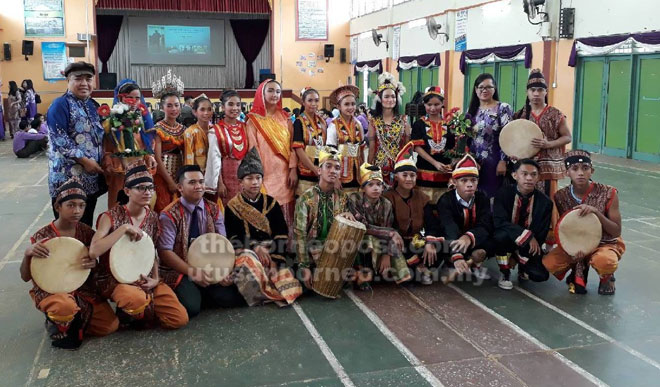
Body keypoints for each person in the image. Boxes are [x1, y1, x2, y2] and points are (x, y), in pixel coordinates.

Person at [20, 178, 118, 349]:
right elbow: (25, 276)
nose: (77, 211)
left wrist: (93, 265)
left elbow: (98, 267)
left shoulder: (86, 232)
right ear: (58, 207)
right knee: (64, 307)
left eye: (81, 205)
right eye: (71, 205)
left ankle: (74, 321)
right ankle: (58, 319)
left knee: (110, 326)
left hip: (82, 290)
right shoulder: (42, 236)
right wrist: (27, 254)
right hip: (53, 291)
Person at [90, 160, 188, 329]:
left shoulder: (153, 217)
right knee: (135, 300)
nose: (147, 192)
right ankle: (135, 308)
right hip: (116, 280)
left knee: (179, 319)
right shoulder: (110, 217)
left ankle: (137, 310)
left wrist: (155, 279)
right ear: (127, 191)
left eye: (150, 188)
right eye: (141, 188)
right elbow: (94, 251)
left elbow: (153, 252)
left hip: (145, 277)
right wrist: (123, 228)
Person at [158, 165, 245, 318]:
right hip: (181, 270)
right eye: (192, 182)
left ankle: (201, 292)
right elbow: (165, 252)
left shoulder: (214, 209)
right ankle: (190, 292)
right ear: (180, 187)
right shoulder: (169, 214)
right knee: (192, 308)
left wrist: (224, 271)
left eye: (201, 181)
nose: (198, 186)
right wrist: (193, 273)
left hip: (209, 267)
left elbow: (222, 243)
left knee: (234, 297)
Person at [224, 148, 303, 305]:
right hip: (247, 253)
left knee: (290, 283)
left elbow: (281, 233)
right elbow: (233, 238)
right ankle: (264, 291)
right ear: (240, 182)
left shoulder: (271, 203)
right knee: (249, 266)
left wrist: (274, 258)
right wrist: (255, 248)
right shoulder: (233, 206)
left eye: (258, 178)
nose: (254, 182)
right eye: (249, 178)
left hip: (271, 251)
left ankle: (264, 290)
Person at [543, 150, 623, 295]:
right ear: (567, 172)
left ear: (591, 171)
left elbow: (616, 231)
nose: (580, 173)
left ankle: (607, 276)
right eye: (575, 169)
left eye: (585, 168)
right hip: (578, 241)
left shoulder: (609, 193)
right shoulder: (561, 196)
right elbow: (567, 229)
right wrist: (573, 250)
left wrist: (596, 213)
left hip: (605, 242)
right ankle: (577, 269)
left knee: (605, 261)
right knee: (550, 263)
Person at [513, 69, 572, 243]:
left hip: (548, 168)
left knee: (548, 203)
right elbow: (513, 140)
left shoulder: (555, 114)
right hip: (527, 168)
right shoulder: (520, 115)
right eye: (533, 90)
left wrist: (549, 144)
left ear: (546, 92)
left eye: (540, 90)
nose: (536, 94)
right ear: (527, 92)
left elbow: (567, 137)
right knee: (526, 203)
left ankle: (550, 240)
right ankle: (526, 237)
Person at [47, 62, 105, 227]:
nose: (84, 83)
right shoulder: (60, 105)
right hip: (66, 179)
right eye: (78, 79)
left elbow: (100, 136)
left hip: (89, 180)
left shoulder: (93, 105)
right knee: (67, 227)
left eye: (88, 79)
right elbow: (60, 140)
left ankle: (84, 253)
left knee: (85, 226)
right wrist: (85, 161)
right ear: (68, 80)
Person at [294, 147, 356, 289]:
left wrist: (348, 218)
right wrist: (304, 266)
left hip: (334, 249)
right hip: (311, 250)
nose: (333, 171)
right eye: (328, 166)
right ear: (319, 170)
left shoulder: (342, 198)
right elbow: (300, 234)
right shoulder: (306, 198)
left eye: (337, 168)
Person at [426, 154, 495, 279]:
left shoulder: (482, 198)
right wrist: (457, 255)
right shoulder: (446, 200)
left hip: (471, 240)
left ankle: (474, 261)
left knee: (492, 240)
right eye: (464, 181)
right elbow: (449, 227)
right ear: (455, 182)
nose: (469, 184)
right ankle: (450, 259)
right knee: (438, 246)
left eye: (473, 180)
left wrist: (468, 238)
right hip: (451, 239)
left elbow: (485, 224)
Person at [383, 142, 441, 285]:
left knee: (439, 246)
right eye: (405, 175)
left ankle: (418, 266)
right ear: (396, 177)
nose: (409, 179)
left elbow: (431, 224)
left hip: (416, 241)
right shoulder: (387, 198)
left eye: (412, 175)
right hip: (396, 243)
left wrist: (429, 242)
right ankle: (417, 267)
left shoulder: (422, 197)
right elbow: (386, 225)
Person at [347, 162, 411, 289]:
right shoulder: (355, 199)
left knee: (395, 241)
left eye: (378, 184)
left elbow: (389, 228)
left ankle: (400, 276)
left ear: (383, 187)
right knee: (368, 241)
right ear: (363, 188)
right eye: (370, 185)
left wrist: (387, 254)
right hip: (360, 240)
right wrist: (391, 232)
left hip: (381, 241)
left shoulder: (386, 204)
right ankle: (364, 276)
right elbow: (363, 227)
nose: (375, 188)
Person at [246, 79, 298, 236]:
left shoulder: (286, 118)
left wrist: (293, 169)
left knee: (286, 213)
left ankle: (286, 252)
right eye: (270, 90)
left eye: (277, 91)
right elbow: (252, 150)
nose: (275, 94)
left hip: (285, 175)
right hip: (265, 175)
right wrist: (258, 176)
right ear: (261, 93)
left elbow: (292, 147)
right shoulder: (253, 120)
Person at [493, 159, 552, 290]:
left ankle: (522, 265)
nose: (529, 178)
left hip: (528, 244)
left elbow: (541, 233)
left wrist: (529, 240)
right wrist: (526, 235)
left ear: (539, 177)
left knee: (540, 275)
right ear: (515, 175)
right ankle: (505, 272)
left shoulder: (545, 202)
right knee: (499, 236)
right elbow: (499, 222)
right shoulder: (503, 193)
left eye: (533, 174)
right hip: (507, 237)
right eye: (524, 174)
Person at [101, 79, 156, 209]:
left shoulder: (142, 121)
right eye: (129, 97)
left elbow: (146, 146)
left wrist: (149, 156)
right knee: (120, 207)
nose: (134, 101)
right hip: (120, 172)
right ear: (120, 98)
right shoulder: (110, 122)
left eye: (137, 98)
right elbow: (106, 149)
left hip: (141, 171)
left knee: (143, 207)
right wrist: (110, 162)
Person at [467, 73, 514, 199]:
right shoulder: (471, 110)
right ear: (476, 90)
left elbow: (508, 135)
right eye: (481, 87)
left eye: (488, 87)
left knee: (493, 197)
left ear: (494, 89)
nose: (484, 90)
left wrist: (504, 160)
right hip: (475, 163)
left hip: (495, 161)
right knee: (477, 196)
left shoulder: (502, 108)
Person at [411, 86, 456, 204]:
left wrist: (451, 164)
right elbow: (417, 147)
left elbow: (453, 148)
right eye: (429, 104)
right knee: (424, 204)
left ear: (442, 103)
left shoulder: (451, 124)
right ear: (424, 104)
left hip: (445, 172)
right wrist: (435, 163)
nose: (432, 108)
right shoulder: (419, 124)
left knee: (443, 204)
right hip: (424, 170)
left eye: (436, 104)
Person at [150, 70, 186, 212]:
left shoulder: (183, 129)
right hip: (162, 175)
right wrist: (170, 181)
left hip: (179, 175)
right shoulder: (158, 129)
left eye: (176, 105)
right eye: (169, 105)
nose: (174, 109)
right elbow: (157, 158)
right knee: (163, 207)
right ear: (162, 107)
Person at [205, 90, 249, 206]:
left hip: (244, 177)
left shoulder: (246, 127)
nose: (235, 108)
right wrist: (220, 183)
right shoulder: (216, 130)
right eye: (231, 104)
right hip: (226, 178)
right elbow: (214, 159)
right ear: (223, 107)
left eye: (238, 104)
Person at [367, 72, 410, 186]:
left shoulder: (404, 120)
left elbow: (407, 147)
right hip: (379, 169)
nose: (390, 99)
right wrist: (368, 169)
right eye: (386, 96)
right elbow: (371, 149)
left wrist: (407, 167)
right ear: (380, 99)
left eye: (393, 96)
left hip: (399, 168)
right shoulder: (373, 121)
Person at [326, 85, 365, 191]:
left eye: (353, 104)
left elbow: (361, 151)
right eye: (346, 104)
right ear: (339, 106)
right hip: (340, 174)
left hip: (357, 174)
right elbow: (330, 154)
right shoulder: (333, 126)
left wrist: (363, 173)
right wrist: (335, 178)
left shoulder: (358, 124)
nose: (350, 107)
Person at [292, 87, 327, 196]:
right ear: (303, 102)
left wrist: (322, 168)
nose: (314, 104)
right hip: (305, 171)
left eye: (316, 100)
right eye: (310, 100)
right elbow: (299, 149)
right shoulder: (299, 122)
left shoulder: (322, 122)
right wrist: (313, 168)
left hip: (320, 169)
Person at [183, 95, 212, 173]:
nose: (206, 113)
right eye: (202, 109)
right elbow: (189, 159)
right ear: (195, 112)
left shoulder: (215, 130)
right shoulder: (190, 132)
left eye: (209, 109)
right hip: (198, 175)